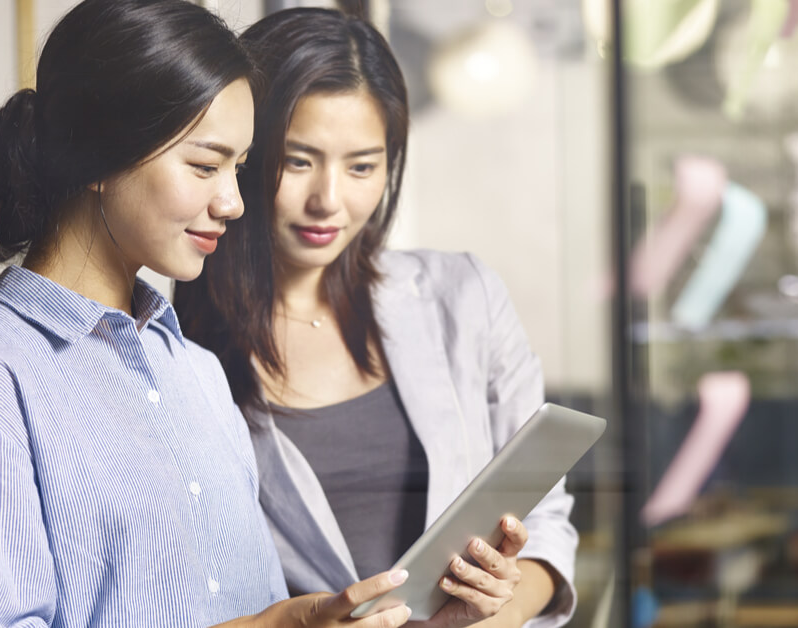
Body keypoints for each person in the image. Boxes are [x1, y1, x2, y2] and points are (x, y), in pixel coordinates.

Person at [0, 1, 414, 626]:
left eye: (239, 170)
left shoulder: (193, 370)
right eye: (203, 165)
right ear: (96, 153)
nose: (232, 202)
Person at [175, 8, 577, 628]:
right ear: (244, 156)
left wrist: (491, 614)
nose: (329, 200)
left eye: (362, 166)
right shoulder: (174, 350)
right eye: (299, 160)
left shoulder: (462, 296)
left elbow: (546, 523)